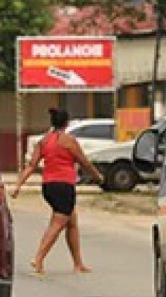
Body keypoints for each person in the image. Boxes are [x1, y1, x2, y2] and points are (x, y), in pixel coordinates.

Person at [10, 108, 105, 275]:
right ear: (67, 123)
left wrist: (18, 185)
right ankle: (38, 259)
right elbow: (84, 162)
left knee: (72, 222)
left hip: (48, 186)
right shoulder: (69, 141)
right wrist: (98, 177)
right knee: (58, 223)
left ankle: (78, 263)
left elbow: (31, 166)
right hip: (64, 186)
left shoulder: (44, 141)